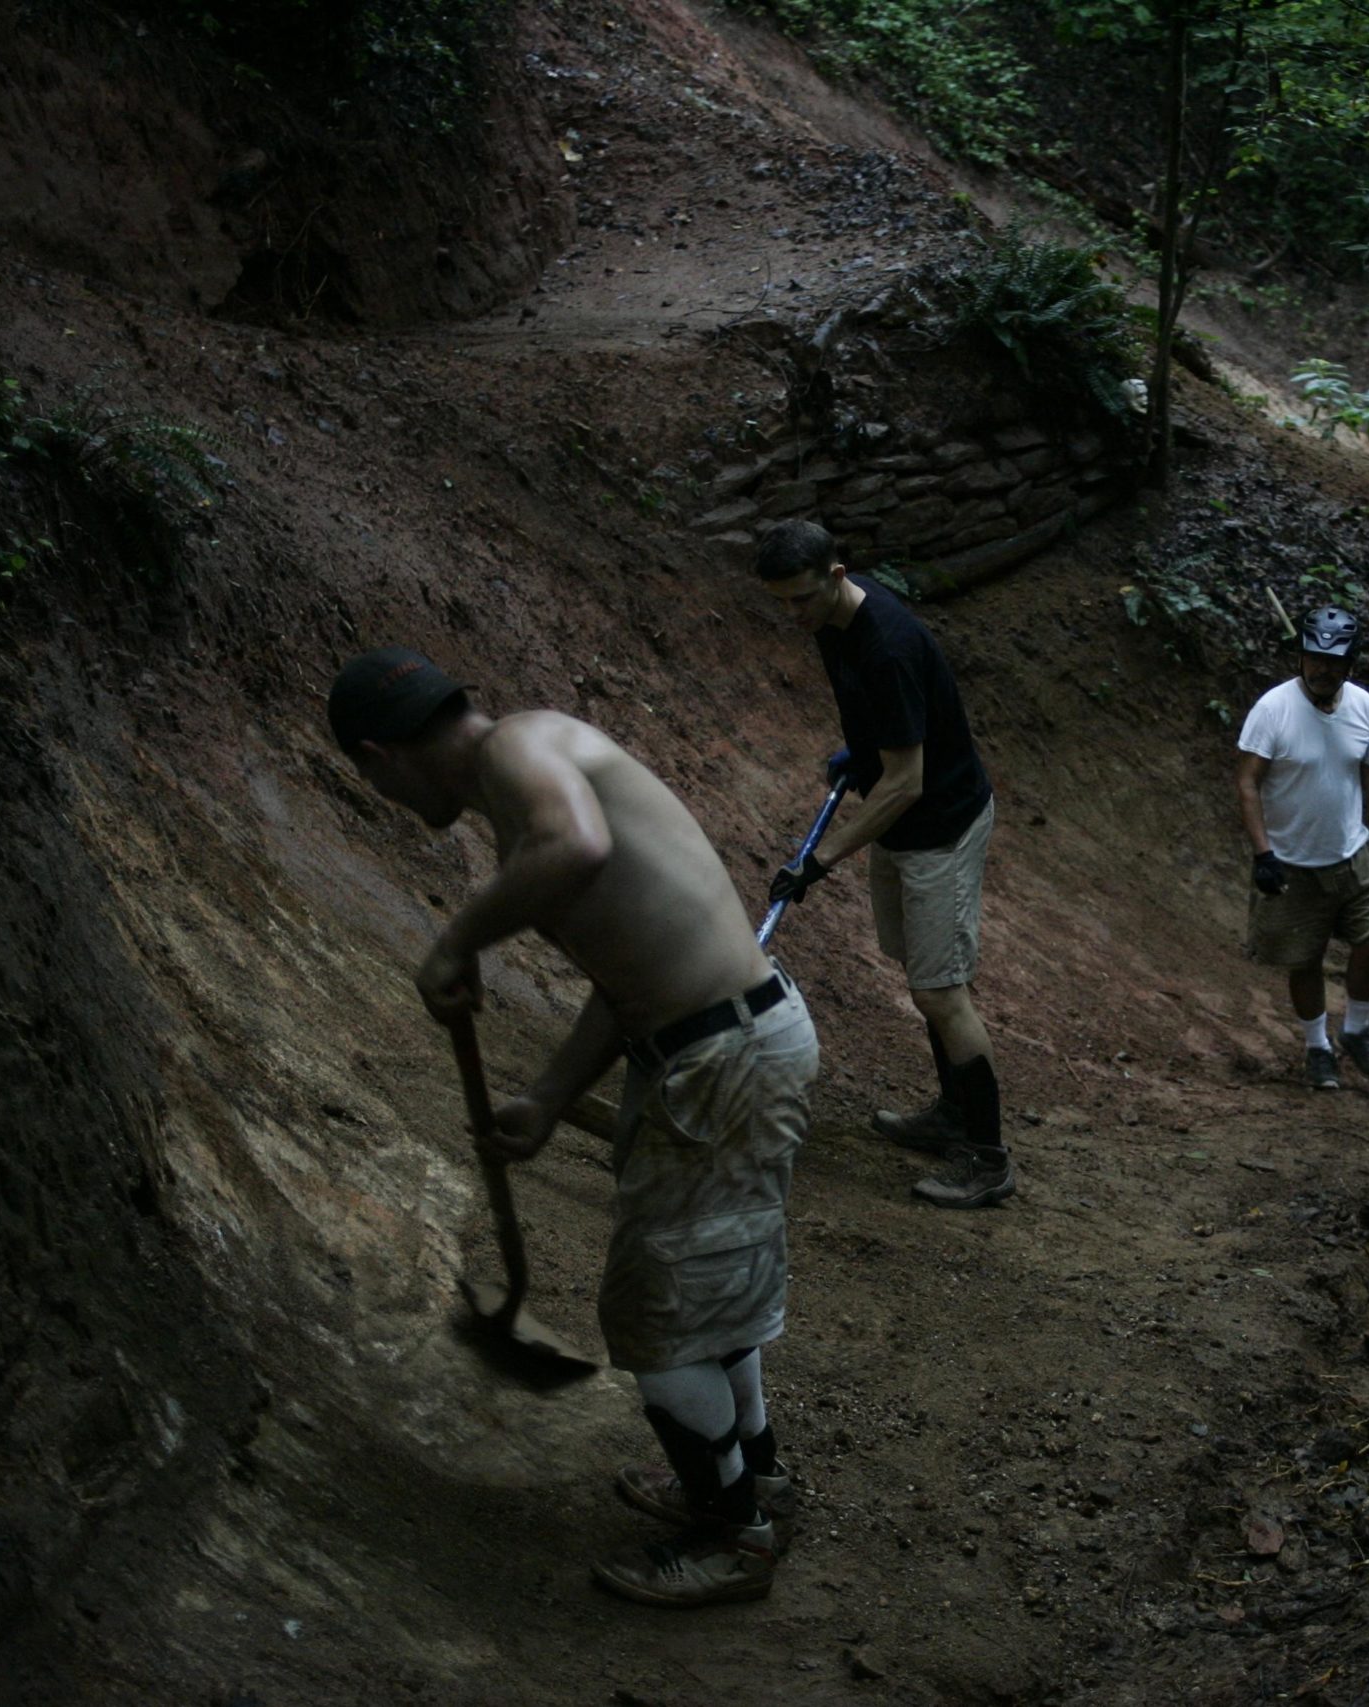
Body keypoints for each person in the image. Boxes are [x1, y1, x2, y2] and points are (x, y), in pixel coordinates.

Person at [327, 646, 814, 1609]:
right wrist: (548, 1098)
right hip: (718, 1045)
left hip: (722, 1058)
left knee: (662, 1317)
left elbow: (576, 847)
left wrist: (456, 941)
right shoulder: (536, 760)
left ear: (380, 758)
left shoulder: (518, 751)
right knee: (702, 1292)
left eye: (367, 779)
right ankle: (754, 1481)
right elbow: (627, 971)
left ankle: (731, 1535)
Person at [749, 521, 1017, 1210]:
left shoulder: (888, 645)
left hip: (940, 826)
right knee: (920, 973)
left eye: (802, 599)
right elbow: (887, 738)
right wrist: (860, 749)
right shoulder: (833, 623)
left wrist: (821, 858)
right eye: (781, 603)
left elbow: (908, 781)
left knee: (940, 990)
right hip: (902, 822)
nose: (794, 616)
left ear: (838, 574)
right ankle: (952, 1115)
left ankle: (987, 1158)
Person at [1235, 606, 1369, 1091]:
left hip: (1353, 852)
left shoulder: (1363, 707)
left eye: (1334, 662)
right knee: (1305, 960)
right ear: (1301, 656)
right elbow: (1248, 783)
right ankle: (1317, 1047)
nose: (1322, 669)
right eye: (1314, 658)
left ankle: (1357, 1031)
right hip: (1292, 861)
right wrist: (1263, 855)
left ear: (1350, 663)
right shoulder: (1273, 710)